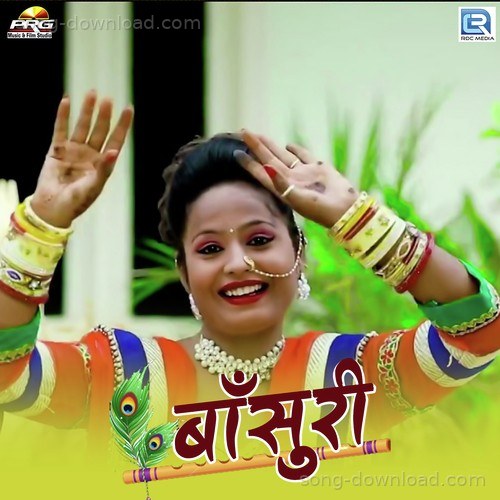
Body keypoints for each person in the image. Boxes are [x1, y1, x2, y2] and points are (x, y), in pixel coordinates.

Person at [0, 90, 499, 456]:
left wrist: (357, 218)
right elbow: (8, 375)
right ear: (185, 273)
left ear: (299, 254)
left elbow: (477, 335)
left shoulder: (348, 376)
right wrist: (42, 225)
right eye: (210, 248)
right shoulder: (124, 375)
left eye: (259, 240)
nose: (238, 263)